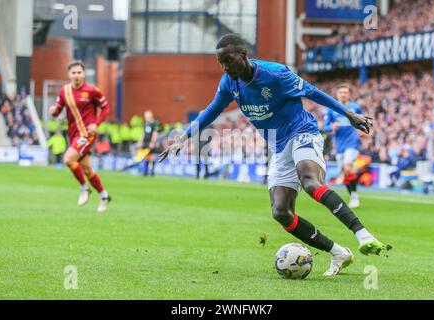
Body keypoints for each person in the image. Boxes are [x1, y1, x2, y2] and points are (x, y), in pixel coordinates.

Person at [160, 34, 389, 276]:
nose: (226, 68)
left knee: (310, 183)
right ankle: (338, 252)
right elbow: (212, 109)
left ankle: (363, 235)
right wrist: (183, 138)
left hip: (303, 132)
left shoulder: (276, 74)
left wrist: (348, 114)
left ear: (244, 55)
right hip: (279, 147)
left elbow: (312, 92)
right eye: (221, 64)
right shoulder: (229, 82)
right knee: (281, 212)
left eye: (229, 61)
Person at [49, 60, 111, 212]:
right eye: (73, 73)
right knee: (88, 170)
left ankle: (84, 188)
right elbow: (58, 110)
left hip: (86, 134)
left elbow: (105, 108)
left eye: (79, 72)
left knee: (68, 159)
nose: (76, 75)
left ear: (83, 74)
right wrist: (53, 111)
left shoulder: (92, 91)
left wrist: (96, 123)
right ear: (69, 75)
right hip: (73, 135)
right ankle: (104, 195)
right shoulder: (64, 92)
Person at [323, 83, 363, 208]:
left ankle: (355, 196)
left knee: (347, 167)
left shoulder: (355, 108)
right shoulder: (331, 109)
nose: (343, 94)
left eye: (345, 92)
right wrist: (331, 127)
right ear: (337, 94)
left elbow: (363, 121)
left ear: (349, 94)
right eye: (341, 92)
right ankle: (352, 196)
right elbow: (325, 126)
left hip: (352, 142)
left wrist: (362, 129)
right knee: (345, 172)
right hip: (339, 145)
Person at [138, 110, 159, 176]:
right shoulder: (145, 124)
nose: (145, 117)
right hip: (145, 142)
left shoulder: (154, 124)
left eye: (146, 115)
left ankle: (152, 172)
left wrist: (152, 142)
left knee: (151, 156)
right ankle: (146, 171)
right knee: (146, 156)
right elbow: (143, 134)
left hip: (150, 142)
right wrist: (140, 142)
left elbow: (155, 133)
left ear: (150, 115)